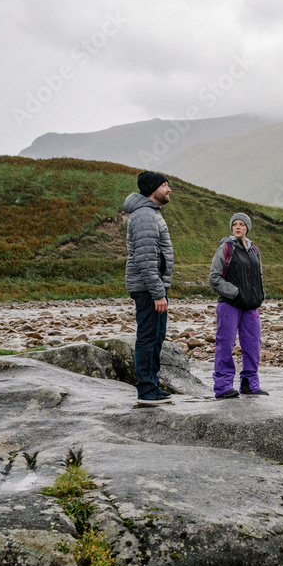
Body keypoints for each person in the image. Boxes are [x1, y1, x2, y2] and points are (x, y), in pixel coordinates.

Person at [123, 171, 175, 406]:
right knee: (147, 337)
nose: (169, 190)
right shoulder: (145, 215)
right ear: (154, 189)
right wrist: (158, 293)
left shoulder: (150, 213)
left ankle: (152, 385)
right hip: (148, 289)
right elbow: (145, 259)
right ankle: (145, 390)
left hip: (153, 287)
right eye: (165, 185)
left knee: (156, 336)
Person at [209, 212, 268, 398]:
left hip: (250, 306)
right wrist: (235, 293)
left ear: (247, 228)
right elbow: (214, 278)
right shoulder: (225, 248)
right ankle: (223, 387)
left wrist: (260, 295)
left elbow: (258, 276)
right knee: (225, 344)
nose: (238, 227)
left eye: (242, 224)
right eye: (235, 224)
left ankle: (250, 384)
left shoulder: (254, 250)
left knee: (252, 345)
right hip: (229, 305)